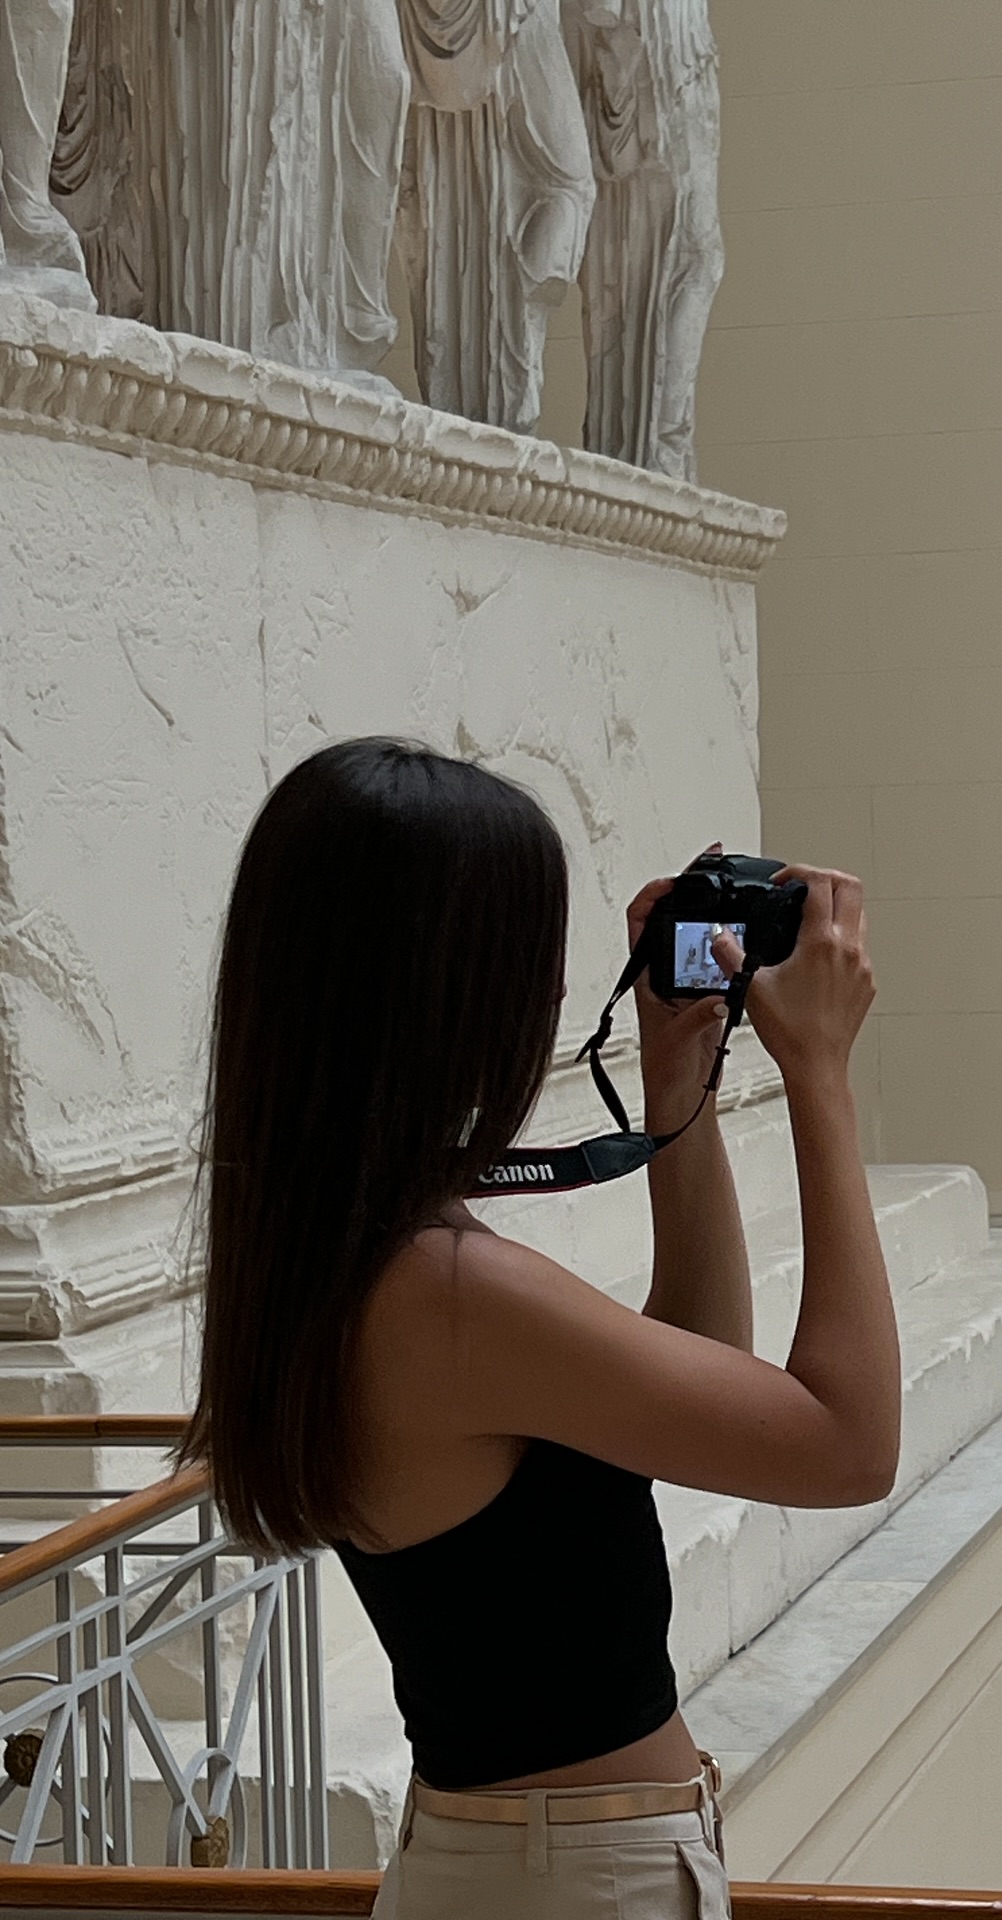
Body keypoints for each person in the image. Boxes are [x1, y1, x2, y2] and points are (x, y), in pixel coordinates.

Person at [182, 736, 898, 1919]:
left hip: (524, 1867)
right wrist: (819, 1076)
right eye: (528, 958)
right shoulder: (450, 1294)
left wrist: (678, 1087)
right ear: (443, 994)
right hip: (572, 1882)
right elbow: (849, 1444)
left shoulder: (348, 1253)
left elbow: (700, 1384)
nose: (555, 996)